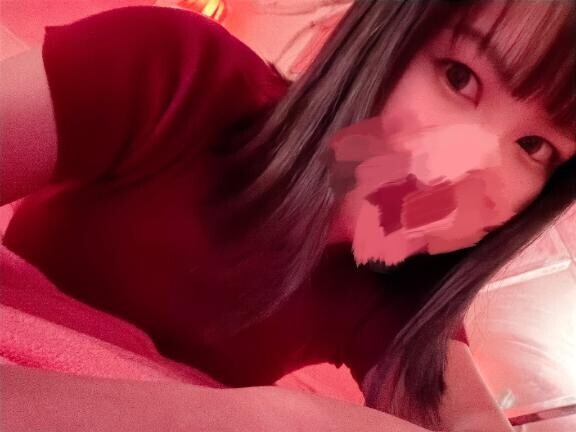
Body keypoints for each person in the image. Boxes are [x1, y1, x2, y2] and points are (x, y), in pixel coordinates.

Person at [1, 1, 574, 429]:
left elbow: (469, 418)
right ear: (374, 41)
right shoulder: (171, 70)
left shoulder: (398, 292)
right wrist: (261, 422)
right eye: (458, 77)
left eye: (534, 147)